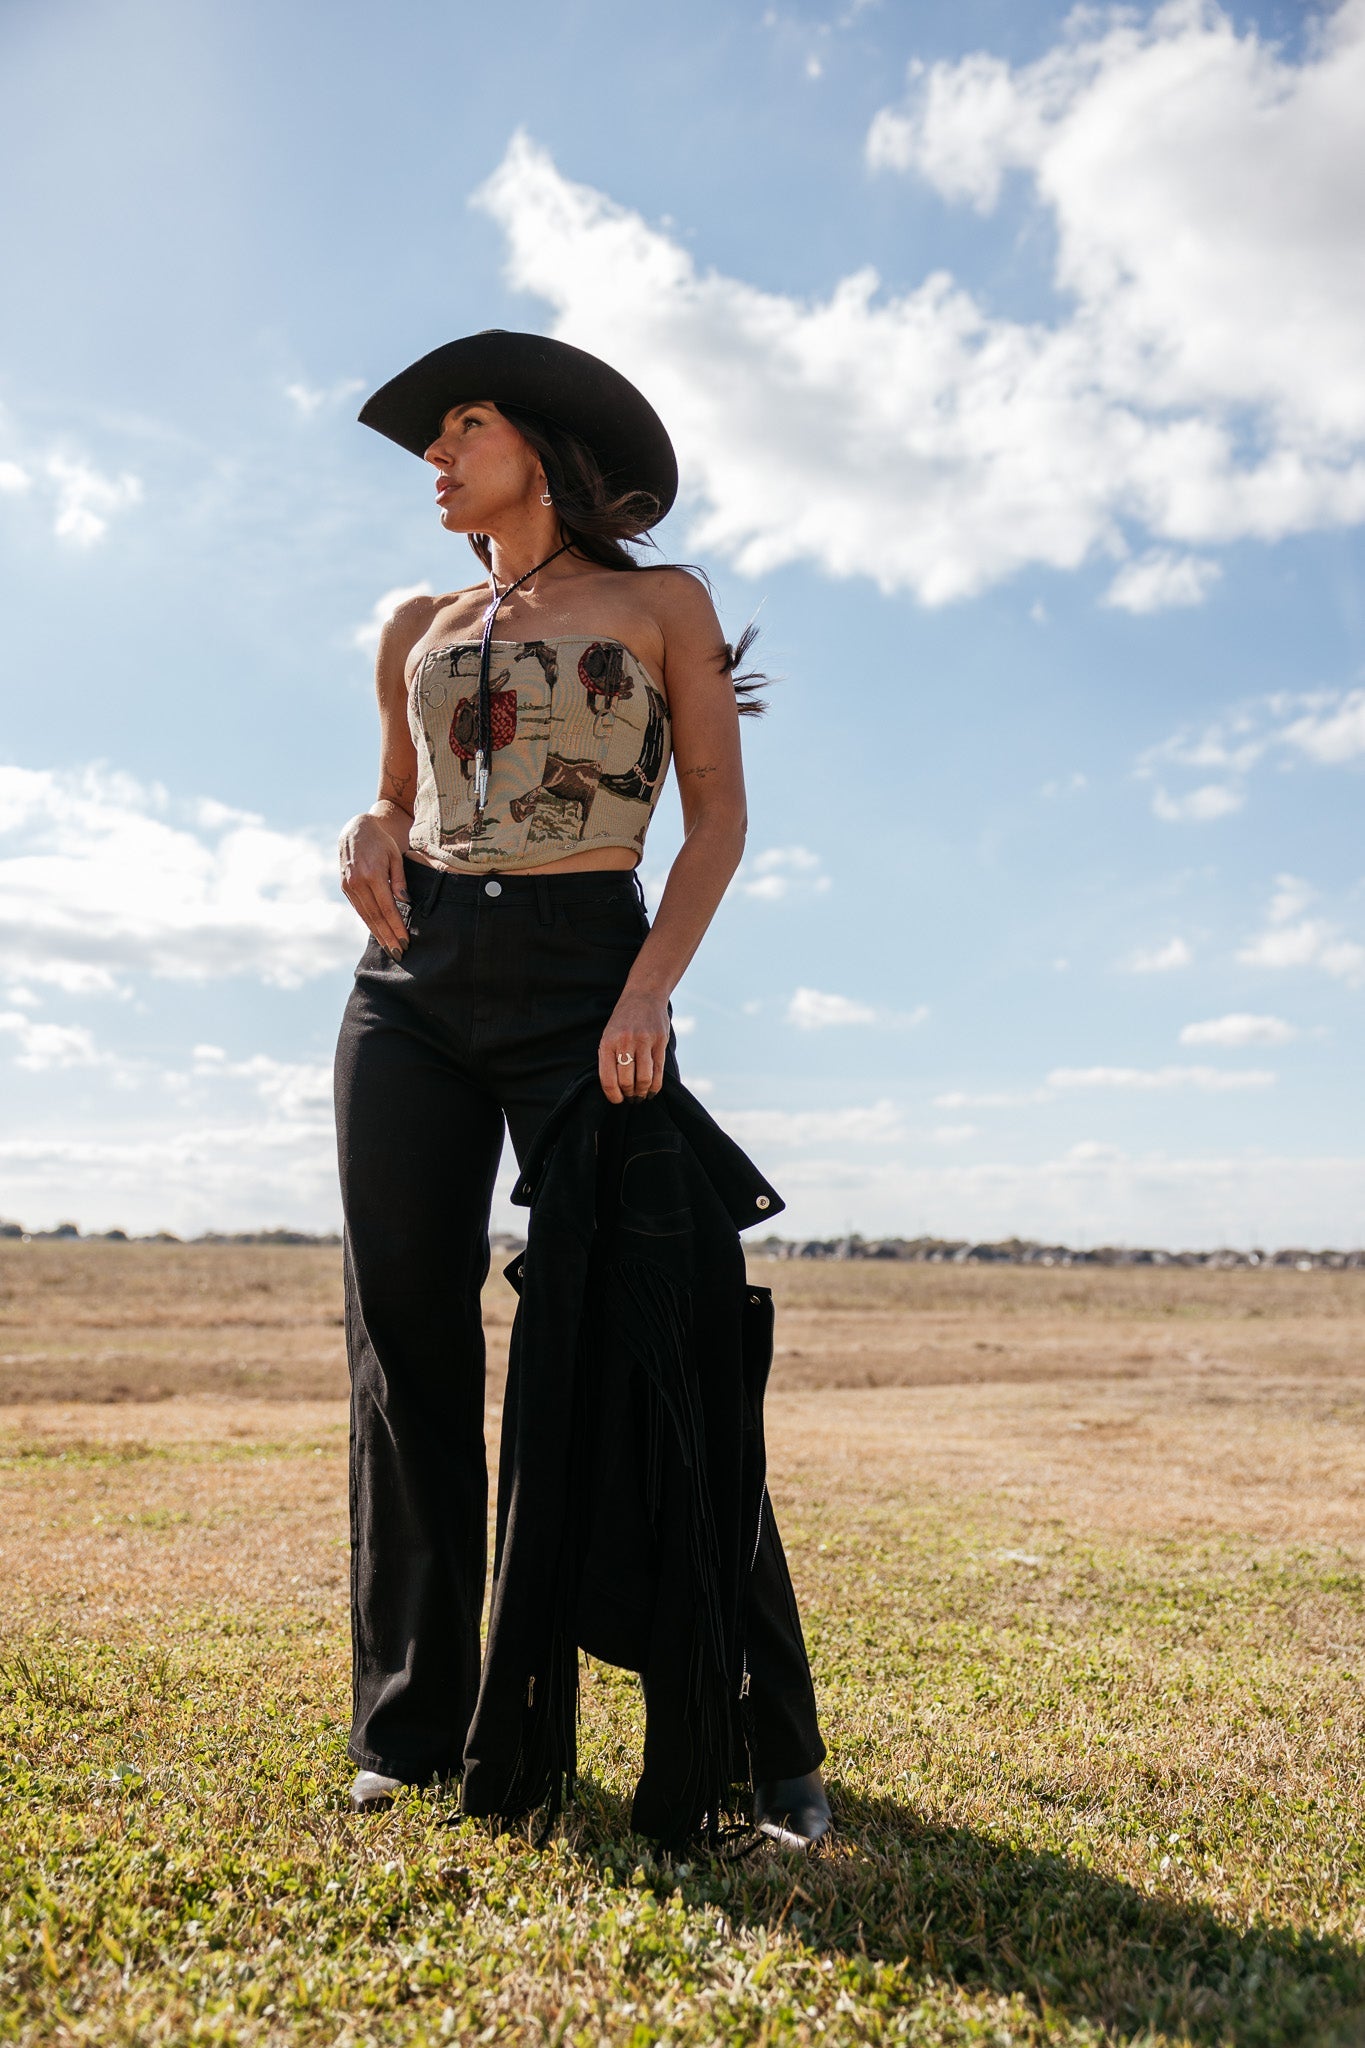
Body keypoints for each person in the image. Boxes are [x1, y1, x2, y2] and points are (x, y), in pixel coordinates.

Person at [333, 330, 830, 1846]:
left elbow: (716, 826)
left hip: (585, 972)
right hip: (411, 984)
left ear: (533, 446)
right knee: (404, 1353)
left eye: (458, 430)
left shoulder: (654, 603)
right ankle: (411, 1733)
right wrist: (365, 823)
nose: (433, 459)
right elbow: (398, 794)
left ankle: (756, 1731)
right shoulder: (415, 619)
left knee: (653, 1333)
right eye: (428, 442)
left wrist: (644, 990)